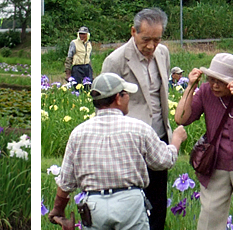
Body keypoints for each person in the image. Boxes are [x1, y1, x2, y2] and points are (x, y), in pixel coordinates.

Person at [49, 72, 187, 230]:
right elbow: (163, 161)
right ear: (118, 98)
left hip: (94, 206)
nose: (128, 98)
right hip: (129, 204)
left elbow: (66, 181)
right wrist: (176, 139)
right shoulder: (138, 128)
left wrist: (58, 209)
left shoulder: (78, 133)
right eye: (126, 94)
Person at [174, 53, 233, 230]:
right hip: (215, 165)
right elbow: (181, 118)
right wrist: (190, 87)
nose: (215, 85)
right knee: (210, 217)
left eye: (221, 81)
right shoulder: (205, 91)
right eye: (211, 79)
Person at [100, 7, 172, 230]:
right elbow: (103, 106)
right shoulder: (116, 61)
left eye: (157, 40)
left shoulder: (163, 53)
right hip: (129, 141)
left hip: (159, 137)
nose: (151, 46)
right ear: (133, 31)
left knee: (158, 201)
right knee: (132, 201)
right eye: (146, 39)